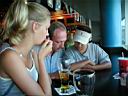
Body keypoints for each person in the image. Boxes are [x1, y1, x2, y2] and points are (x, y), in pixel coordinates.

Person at [0, 0, 53, 95]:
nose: (47, 33)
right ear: (35, 27)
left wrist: (40, 58)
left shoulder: (31, 53)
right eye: (46, 28)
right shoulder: (9, 57)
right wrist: (41, 59)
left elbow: (48, 82)